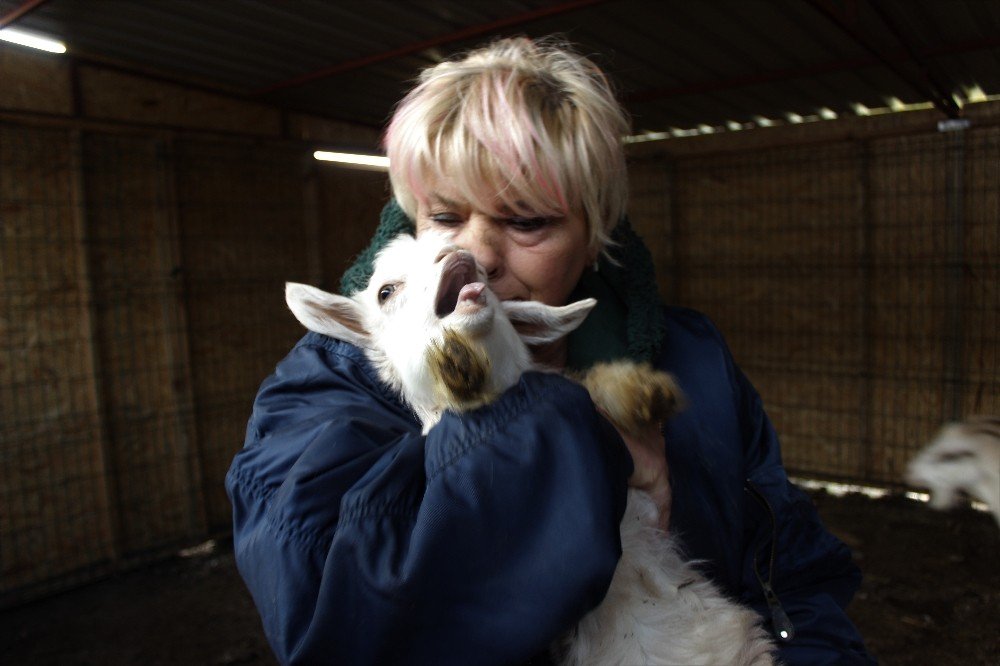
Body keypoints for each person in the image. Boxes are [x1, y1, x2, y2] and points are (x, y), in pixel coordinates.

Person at [226, 37, 875, 665]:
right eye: (446, 217)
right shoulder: (334, 380)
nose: (474, 255)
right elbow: (326, 619)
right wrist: (573, 443)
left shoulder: (691, 358)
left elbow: (789, 572)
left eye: (526, 220)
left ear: (594, 235)